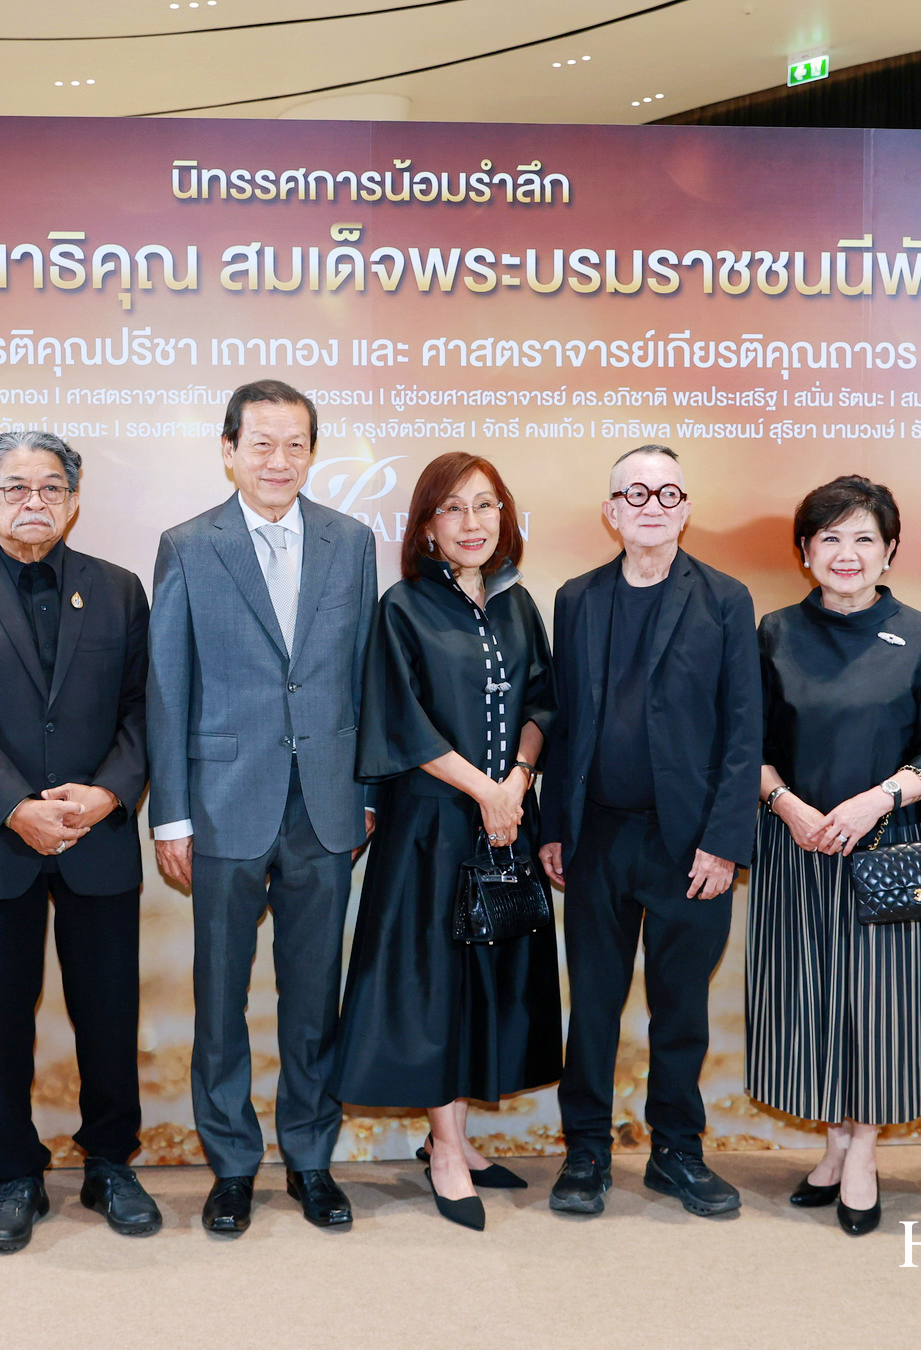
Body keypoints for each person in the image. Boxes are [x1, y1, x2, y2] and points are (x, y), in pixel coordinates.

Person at [0, 431, 158, 1251]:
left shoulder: (119, 590)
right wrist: (16, 806)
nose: (34, 502)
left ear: (74, 501)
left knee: (107, 1014)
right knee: (1, 1026)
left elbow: (142, 711)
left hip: (97, 840)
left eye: (51, 488)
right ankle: (15, 1174)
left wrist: (108, 794)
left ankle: (109, 1162)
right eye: (15, 487)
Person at [147, 379, 378, 1234]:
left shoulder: (351, 540)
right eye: (262, 444)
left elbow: (363, 677)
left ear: (312, 452)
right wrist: (170, 814)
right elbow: (168, 687)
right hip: (221, 805)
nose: (278, 460)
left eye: (295, 445)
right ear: (229, 449)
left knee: (314, 995)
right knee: (221, 999)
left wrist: (366, 794)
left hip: (326, 807)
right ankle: (233, 1164)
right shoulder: (187, 544)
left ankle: (311, 1159)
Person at [332, 452, 560, 1232]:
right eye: (454, 509)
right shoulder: (403, 608)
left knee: (489, 981)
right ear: (427, 526)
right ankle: (447, 1147)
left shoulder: (517, 604)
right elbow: (402, 721)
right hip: (432, 828)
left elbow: (543, 705)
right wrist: (485, 790)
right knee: (434, 988)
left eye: (486, 506)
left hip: (506, 824)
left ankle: (458, 1136)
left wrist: (519, 781)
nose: (472, 523)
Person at [538, 445, 759, 1219]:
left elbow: (743, 730)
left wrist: (726, 841)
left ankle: (676, 1153)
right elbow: (566, 724)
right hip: (594, 838)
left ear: (686, 507)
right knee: (592, 1004)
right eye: (635, 493)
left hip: (690, 844)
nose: (652, 505)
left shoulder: (726, 600)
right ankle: (587, 1154)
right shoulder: (576, 598)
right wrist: (553, 825)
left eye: (668, 493)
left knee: (680, 1008)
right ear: (612, 510)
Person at [745, 476, 921, 1237]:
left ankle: (863, 1151)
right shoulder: (773, 631)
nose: (847, 553)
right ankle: (834, 1143)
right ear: (805, 552)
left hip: (889, 849)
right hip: (797, 845)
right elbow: (748, 747)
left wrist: (879, 798)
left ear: (890, 550)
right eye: (830, 538)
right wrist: (787, 805)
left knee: (880, 1007)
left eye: (864, 538)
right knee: (806, 1000)